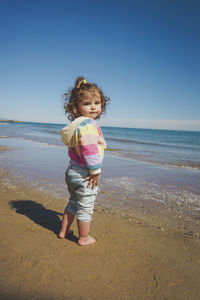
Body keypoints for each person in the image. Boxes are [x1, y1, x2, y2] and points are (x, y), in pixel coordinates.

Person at [58, 76, 110, 246]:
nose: (93, 106)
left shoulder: (77, 124)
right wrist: (95, 171)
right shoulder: (88, 125)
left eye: (97, 102)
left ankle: (64, 230)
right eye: (87, 103)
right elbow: (90, 149)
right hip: (84, 173)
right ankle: (84, 237)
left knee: (73, 201)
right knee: (86, 206)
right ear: (76, 107)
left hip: (72, 171)